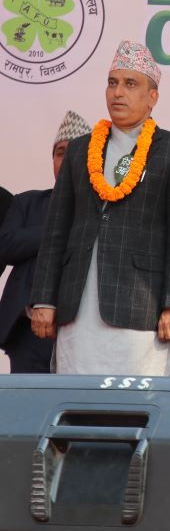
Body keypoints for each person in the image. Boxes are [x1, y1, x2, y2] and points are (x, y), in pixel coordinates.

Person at [30, 41, 170, 375]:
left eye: (130, 84)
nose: (118, 93)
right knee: (77, 399)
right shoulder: (80, 150)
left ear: (152, 97)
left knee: (137, 401)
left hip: (143, 309)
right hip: (78, 306)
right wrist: (44, 299)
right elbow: (56, 231)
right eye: (112, 83)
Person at [0, 111, 91, 373]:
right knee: (29, 397)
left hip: (83, 330)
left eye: (76, 152)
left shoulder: (103, 210)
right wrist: (58, 231)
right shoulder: (27, 202)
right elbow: (5, 245)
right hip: (29, 331)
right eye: (60, 153)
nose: (67, 159)